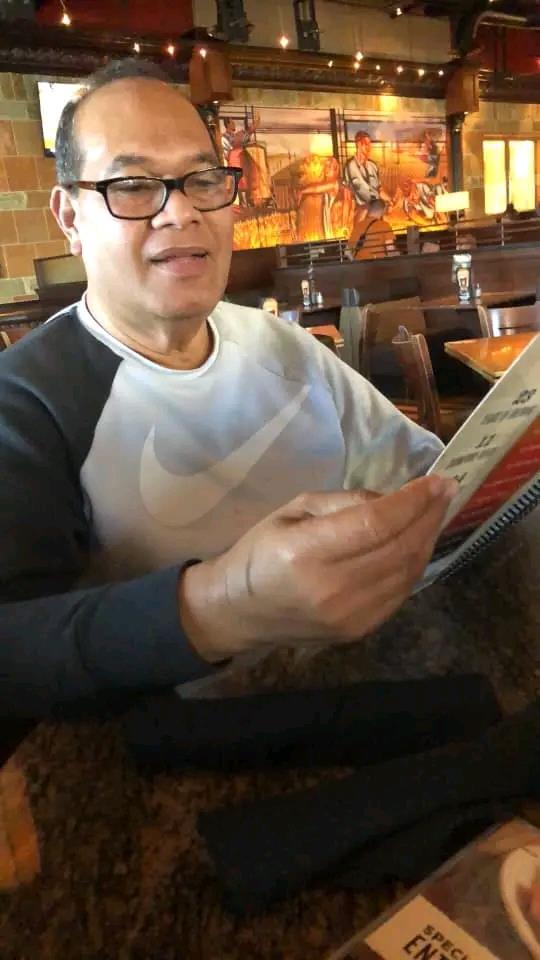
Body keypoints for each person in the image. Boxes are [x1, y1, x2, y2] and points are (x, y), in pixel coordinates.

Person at [0, 59, 453, 730]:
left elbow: (432, 476)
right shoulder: (28, 401)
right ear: (69, 215)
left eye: (202, 179)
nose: (180, 210)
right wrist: (220, 606)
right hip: (182, 761)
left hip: (366, 701)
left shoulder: (282, 346)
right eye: (131, 185)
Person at [343, 130, 392, 225]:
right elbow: (347, 195)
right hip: (361, 210)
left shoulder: (373, 166)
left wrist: (390, 201)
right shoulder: (349, 166)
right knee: (371, 208)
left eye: (370, 144)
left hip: (377, 208)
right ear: (358, 144)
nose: (369, 147)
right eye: (366, 144)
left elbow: (379, 190)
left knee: (379, 205)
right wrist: (346, 220)